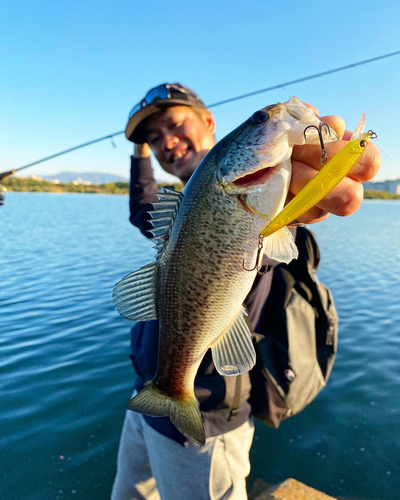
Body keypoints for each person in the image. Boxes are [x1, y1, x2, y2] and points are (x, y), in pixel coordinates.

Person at [111, 83, 381, 500]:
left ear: (210, 123)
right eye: (152, 139)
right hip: (149, 391)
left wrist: (294, 207)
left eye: (174, 124)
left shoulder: (260, 191)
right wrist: (138, 153)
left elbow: (272, 242)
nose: (165, 141)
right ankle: (168, 389)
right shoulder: (175, 204)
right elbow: (141, 205)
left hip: (208, 417)